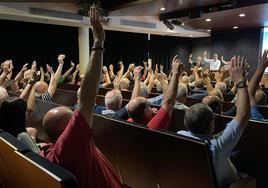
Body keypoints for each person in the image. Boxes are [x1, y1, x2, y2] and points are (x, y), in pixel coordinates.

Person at [41, 7, 123, 188]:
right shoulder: (68, 145)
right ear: (66, 130)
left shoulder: (51, 150)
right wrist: (98, 42)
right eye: (73, 117)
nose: (77, 114)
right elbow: (87, 98)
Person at [177, 56, 250, 188]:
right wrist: (240, 81)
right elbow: (243, 114)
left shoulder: (179, 134)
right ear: (211, 124)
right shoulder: (217, 146)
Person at [127, 55, 183, 130]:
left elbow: (133, 105)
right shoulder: (153, 127)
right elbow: (168, 102)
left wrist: (137, 78)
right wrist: (176, 72)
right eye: (149, 106)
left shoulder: (129, 121)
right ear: (146, 112)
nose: (151, 108)